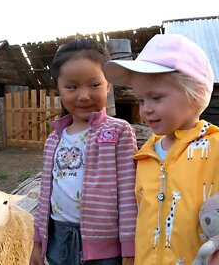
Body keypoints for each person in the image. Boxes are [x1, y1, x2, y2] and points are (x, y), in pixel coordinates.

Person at [103, 34, 219, 264]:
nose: (145, 109)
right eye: (141, 100)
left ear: (194, 93)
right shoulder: (145, 155)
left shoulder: (216, 148)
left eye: (155, 98)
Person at [29, 38, 137, 265]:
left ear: (109, 85)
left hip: (105, 250)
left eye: (94, 84)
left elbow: (128, 194)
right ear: (58, 89)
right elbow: (45, 193)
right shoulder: (54, 138)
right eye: (72, 86)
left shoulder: (119, 131)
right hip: (58, 241)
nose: (84, 95)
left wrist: (130, 246)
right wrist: (38, 242)